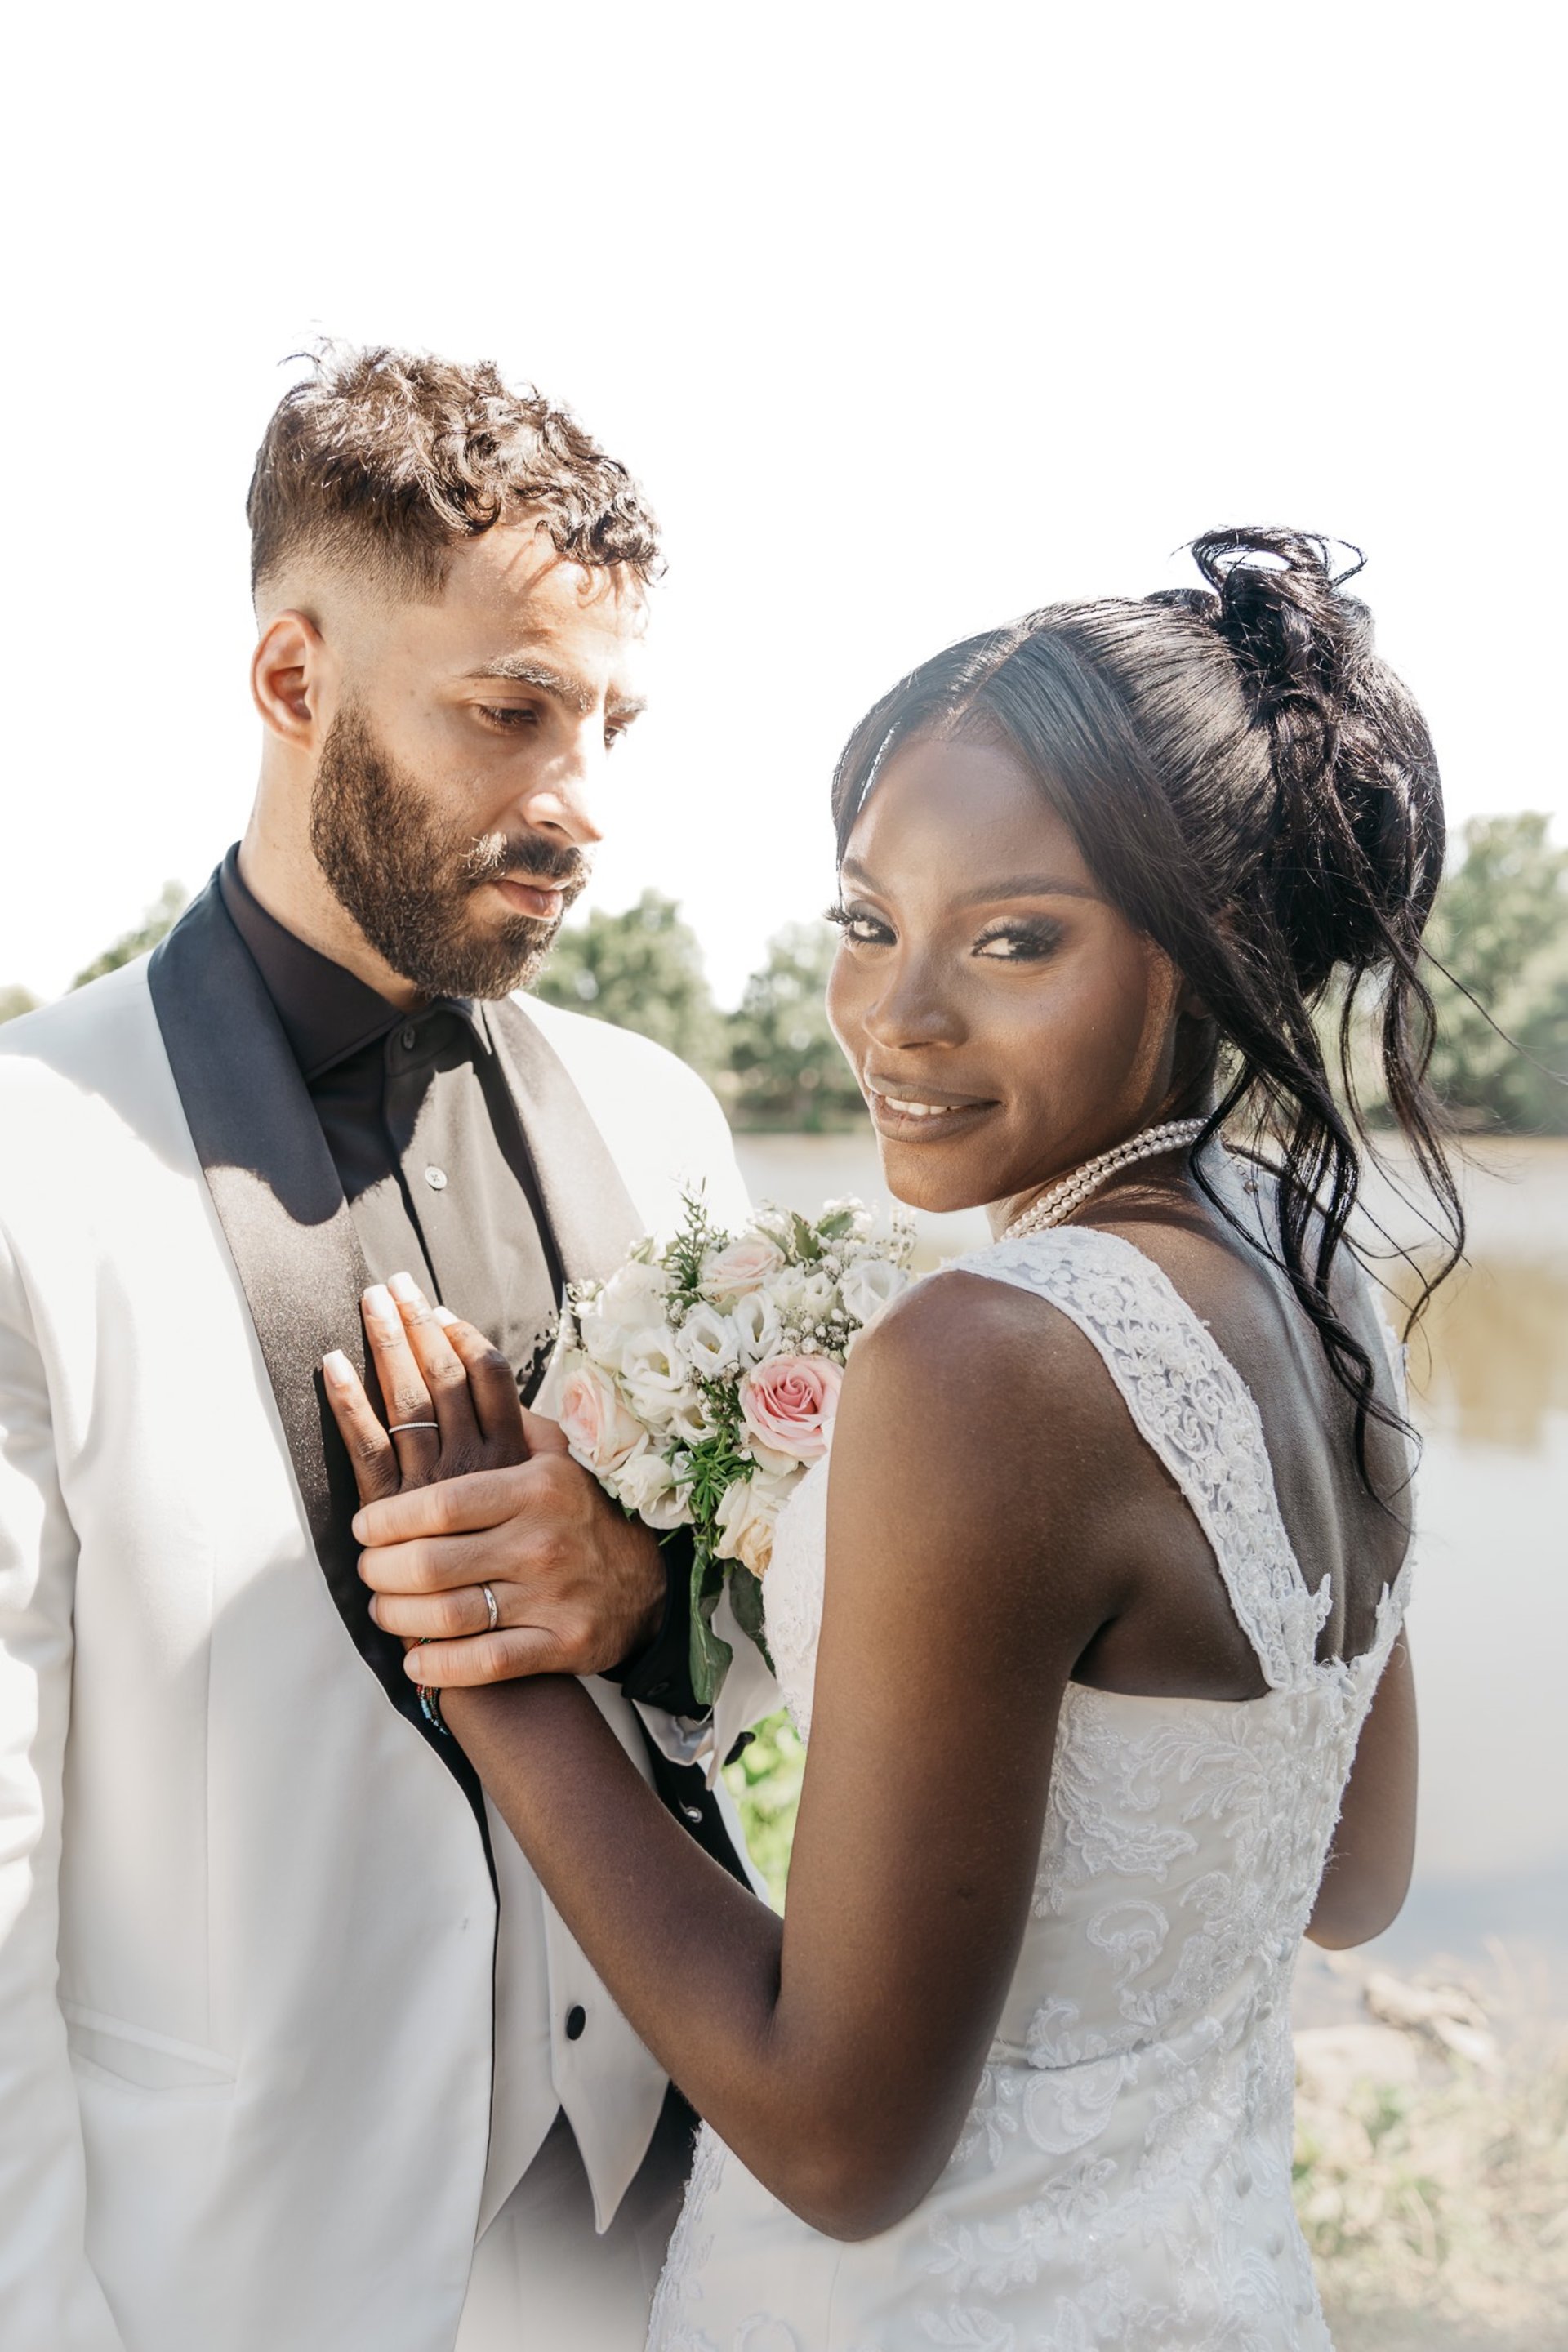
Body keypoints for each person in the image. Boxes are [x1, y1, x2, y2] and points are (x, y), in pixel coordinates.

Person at [334, 528, 1461, 2349]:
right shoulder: (1323, 1290)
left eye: (1016, 938)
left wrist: (500, 1684)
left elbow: (842, 2144)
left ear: (1214, 947)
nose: (897, 1013)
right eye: (867, 921)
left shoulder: (984, 1361)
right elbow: (1349, 1878)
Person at [0, 345, 766, 2352]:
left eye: (607, 721)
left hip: (675, 2244)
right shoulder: (20, 1166)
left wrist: (649, 1593)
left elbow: (795, 1628)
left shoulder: (669, 1120)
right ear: (292, 683)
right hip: (239, 2276)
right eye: (512, 711)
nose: (578, 800)